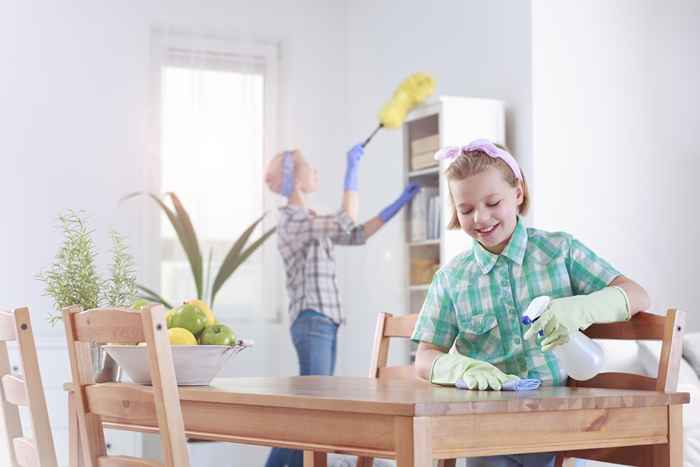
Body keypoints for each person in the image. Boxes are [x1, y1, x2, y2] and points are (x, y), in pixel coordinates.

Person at [410, 139, 650, 467]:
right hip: (485, 432)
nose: (481, 218)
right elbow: (425, 356)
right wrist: (462, 368)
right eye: (466, 210)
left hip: (558, 430)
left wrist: (579, 308)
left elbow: (637, 294)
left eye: (493, 202)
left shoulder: (559, 252)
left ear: (518, 193)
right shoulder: (452, 278)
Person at [264, 144, 420, 467]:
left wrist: (397, 206)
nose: (317, 173)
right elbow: (347, 220)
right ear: (293, 177)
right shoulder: (292, 220)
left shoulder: (309, 220)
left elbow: (356, 234)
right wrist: (353, 172)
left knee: (312, 408)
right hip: (312, 319)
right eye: (310, 167)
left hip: (325, 320)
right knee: (312, 409)